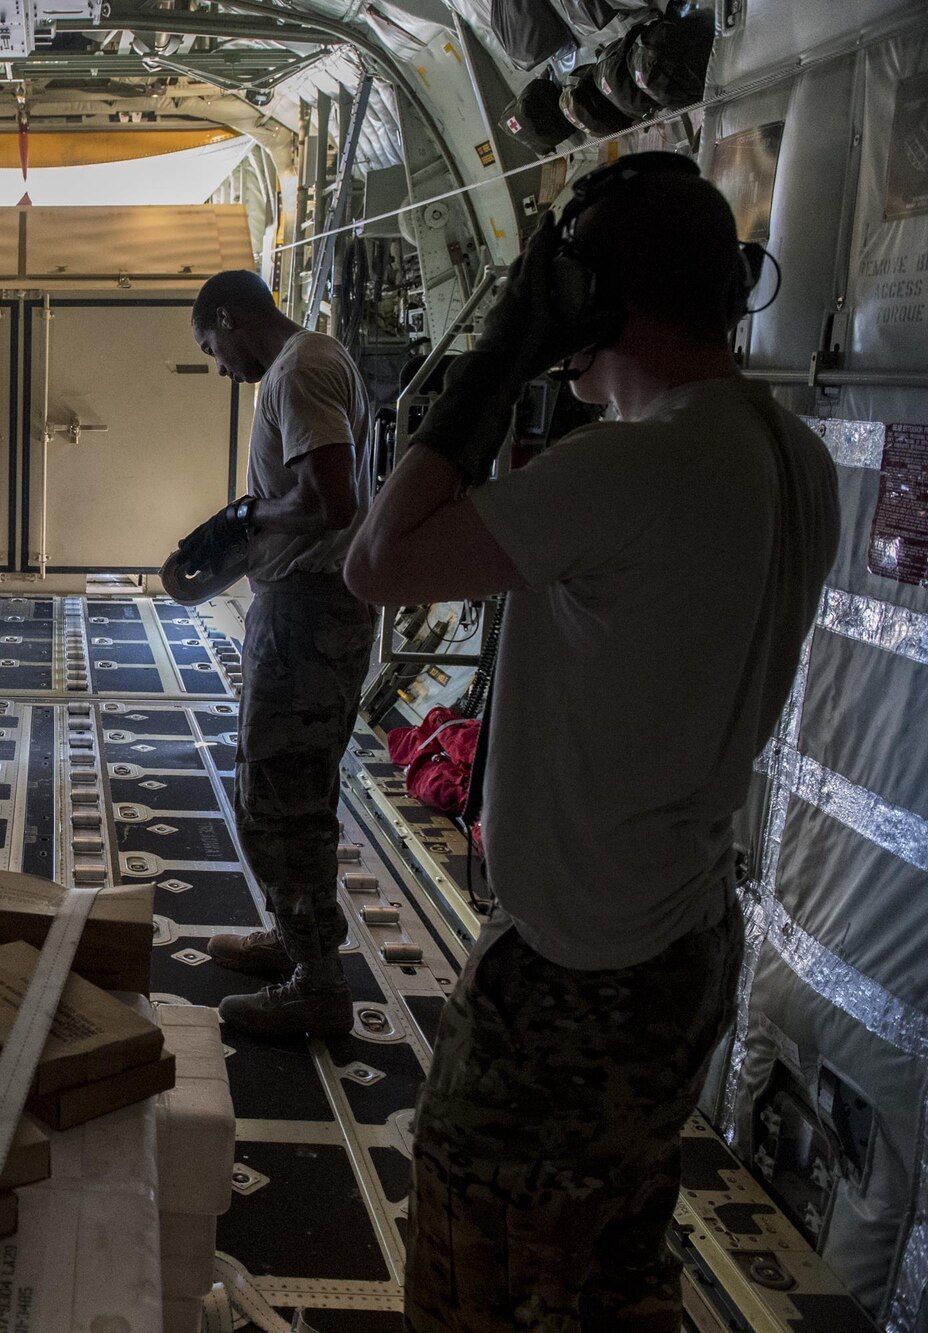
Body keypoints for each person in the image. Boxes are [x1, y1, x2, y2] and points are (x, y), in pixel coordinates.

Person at [343, 153, 839, 1330]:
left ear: (586, 302)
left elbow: (379, 563)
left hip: (575, 970)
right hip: (679, 937)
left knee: (486, 1270)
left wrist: (496, 364)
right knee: (612, 1259)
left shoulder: (633, 464)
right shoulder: (788, 453)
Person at [176, 270, 379, 1038]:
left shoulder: (297, 371)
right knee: (294, 789)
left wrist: (246, 513)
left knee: (279, 800)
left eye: (212, 347)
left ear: (228, 317)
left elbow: (332, 500)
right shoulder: (317, 359)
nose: (220, 367)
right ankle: (294, 942)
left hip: (307, 615)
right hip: (311, 609)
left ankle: (317, 984)